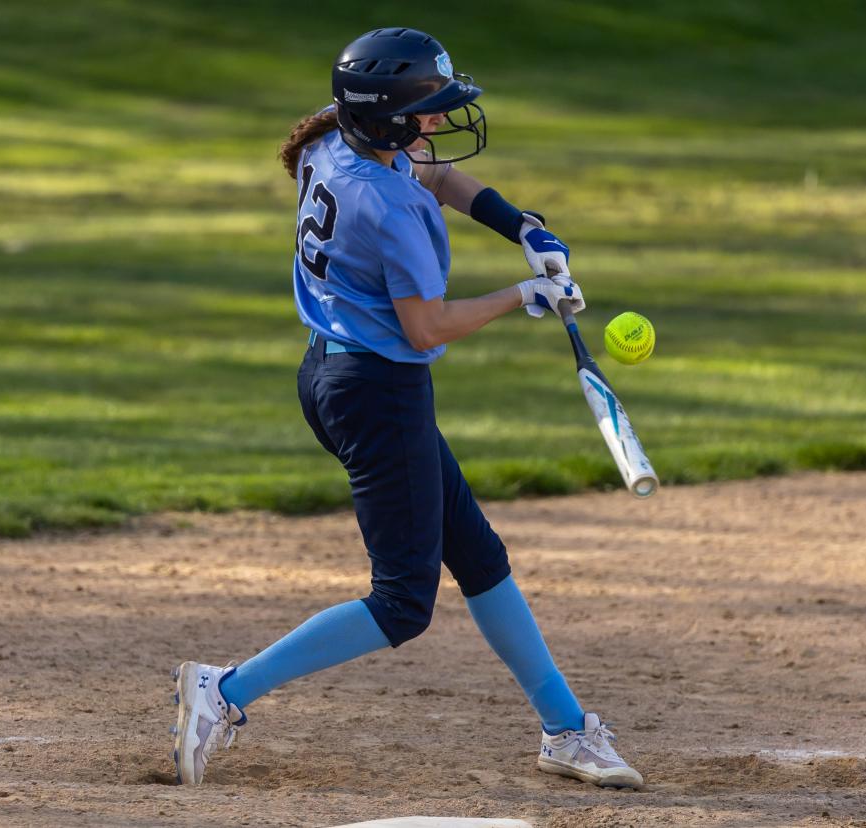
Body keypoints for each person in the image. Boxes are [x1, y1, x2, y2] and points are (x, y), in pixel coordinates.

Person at [172, 27, 643, 791]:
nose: (442, 123)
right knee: (402, 603)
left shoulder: (339, 145)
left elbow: (441, 177)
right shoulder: (383, 206)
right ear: (390, 119)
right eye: (429, 111)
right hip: (375, 394)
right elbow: (426, 325)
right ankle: (222, 692)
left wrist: (520, 226)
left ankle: (565, 729)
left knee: (481, 559)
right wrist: (524, 295)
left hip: (337, 374)